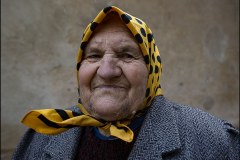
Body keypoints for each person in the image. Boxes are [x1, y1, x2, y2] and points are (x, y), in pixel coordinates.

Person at [12, 6, 239, 160]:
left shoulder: (212, 140)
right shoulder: (41, 136)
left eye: (126, 55)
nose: (107, 71)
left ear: (152, 71)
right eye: (93, 56)